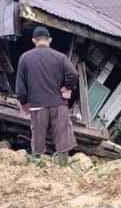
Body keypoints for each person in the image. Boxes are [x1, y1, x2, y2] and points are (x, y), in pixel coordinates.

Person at [15, 26, 78, 165]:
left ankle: (37, 167)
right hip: (58, 104)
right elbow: (73, 74)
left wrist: (24, 102)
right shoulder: (60, 57)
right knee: (62, 137)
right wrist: (67, 87)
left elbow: (20, 88)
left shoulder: (25, 58)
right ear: (49, 40)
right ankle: (63, 166)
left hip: (37, 106)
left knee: (38, 138)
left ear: (33, 40)